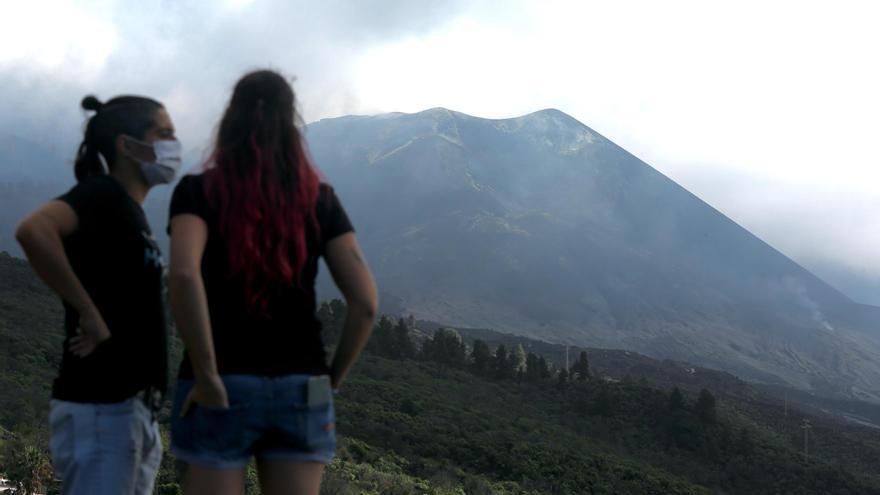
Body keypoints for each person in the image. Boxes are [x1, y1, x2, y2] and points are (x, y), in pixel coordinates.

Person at [167, 69, 377, 495]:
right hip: (303, 385)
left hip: (221, 381)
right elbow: (366, 303)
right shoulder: (320, 199)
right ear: (290, 124)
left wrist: (207, 375)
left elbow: (184, 273)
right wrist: (329, 379)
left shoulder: (197, 191)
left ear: (230, 120)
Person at [15, 95, 180, 494]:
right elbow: (34, 231)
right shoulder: (101, 195)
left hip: (132, 409)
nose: (173, 144)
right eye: (164, 134)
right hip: (103, 404)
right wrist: (88, 312)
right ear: (126, 145)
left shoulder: (130, 211)